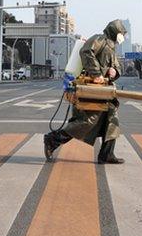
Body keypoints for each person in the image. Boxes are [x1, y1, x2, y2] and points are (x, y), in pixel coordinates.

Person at [44, 19, 127, 164]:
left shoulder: (112, 47)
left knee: (112, 120)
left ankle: (107, 154)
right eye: (121, 33)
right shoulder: (100, 39)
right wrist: (97, 74)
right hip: (92, 90)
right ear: (114, 30)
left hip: (105, 91)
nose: (122, 36)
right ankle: (52, 139)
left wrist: (115, 72)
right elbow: (86, 51)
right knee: (86, 122)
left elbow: (115, 67)